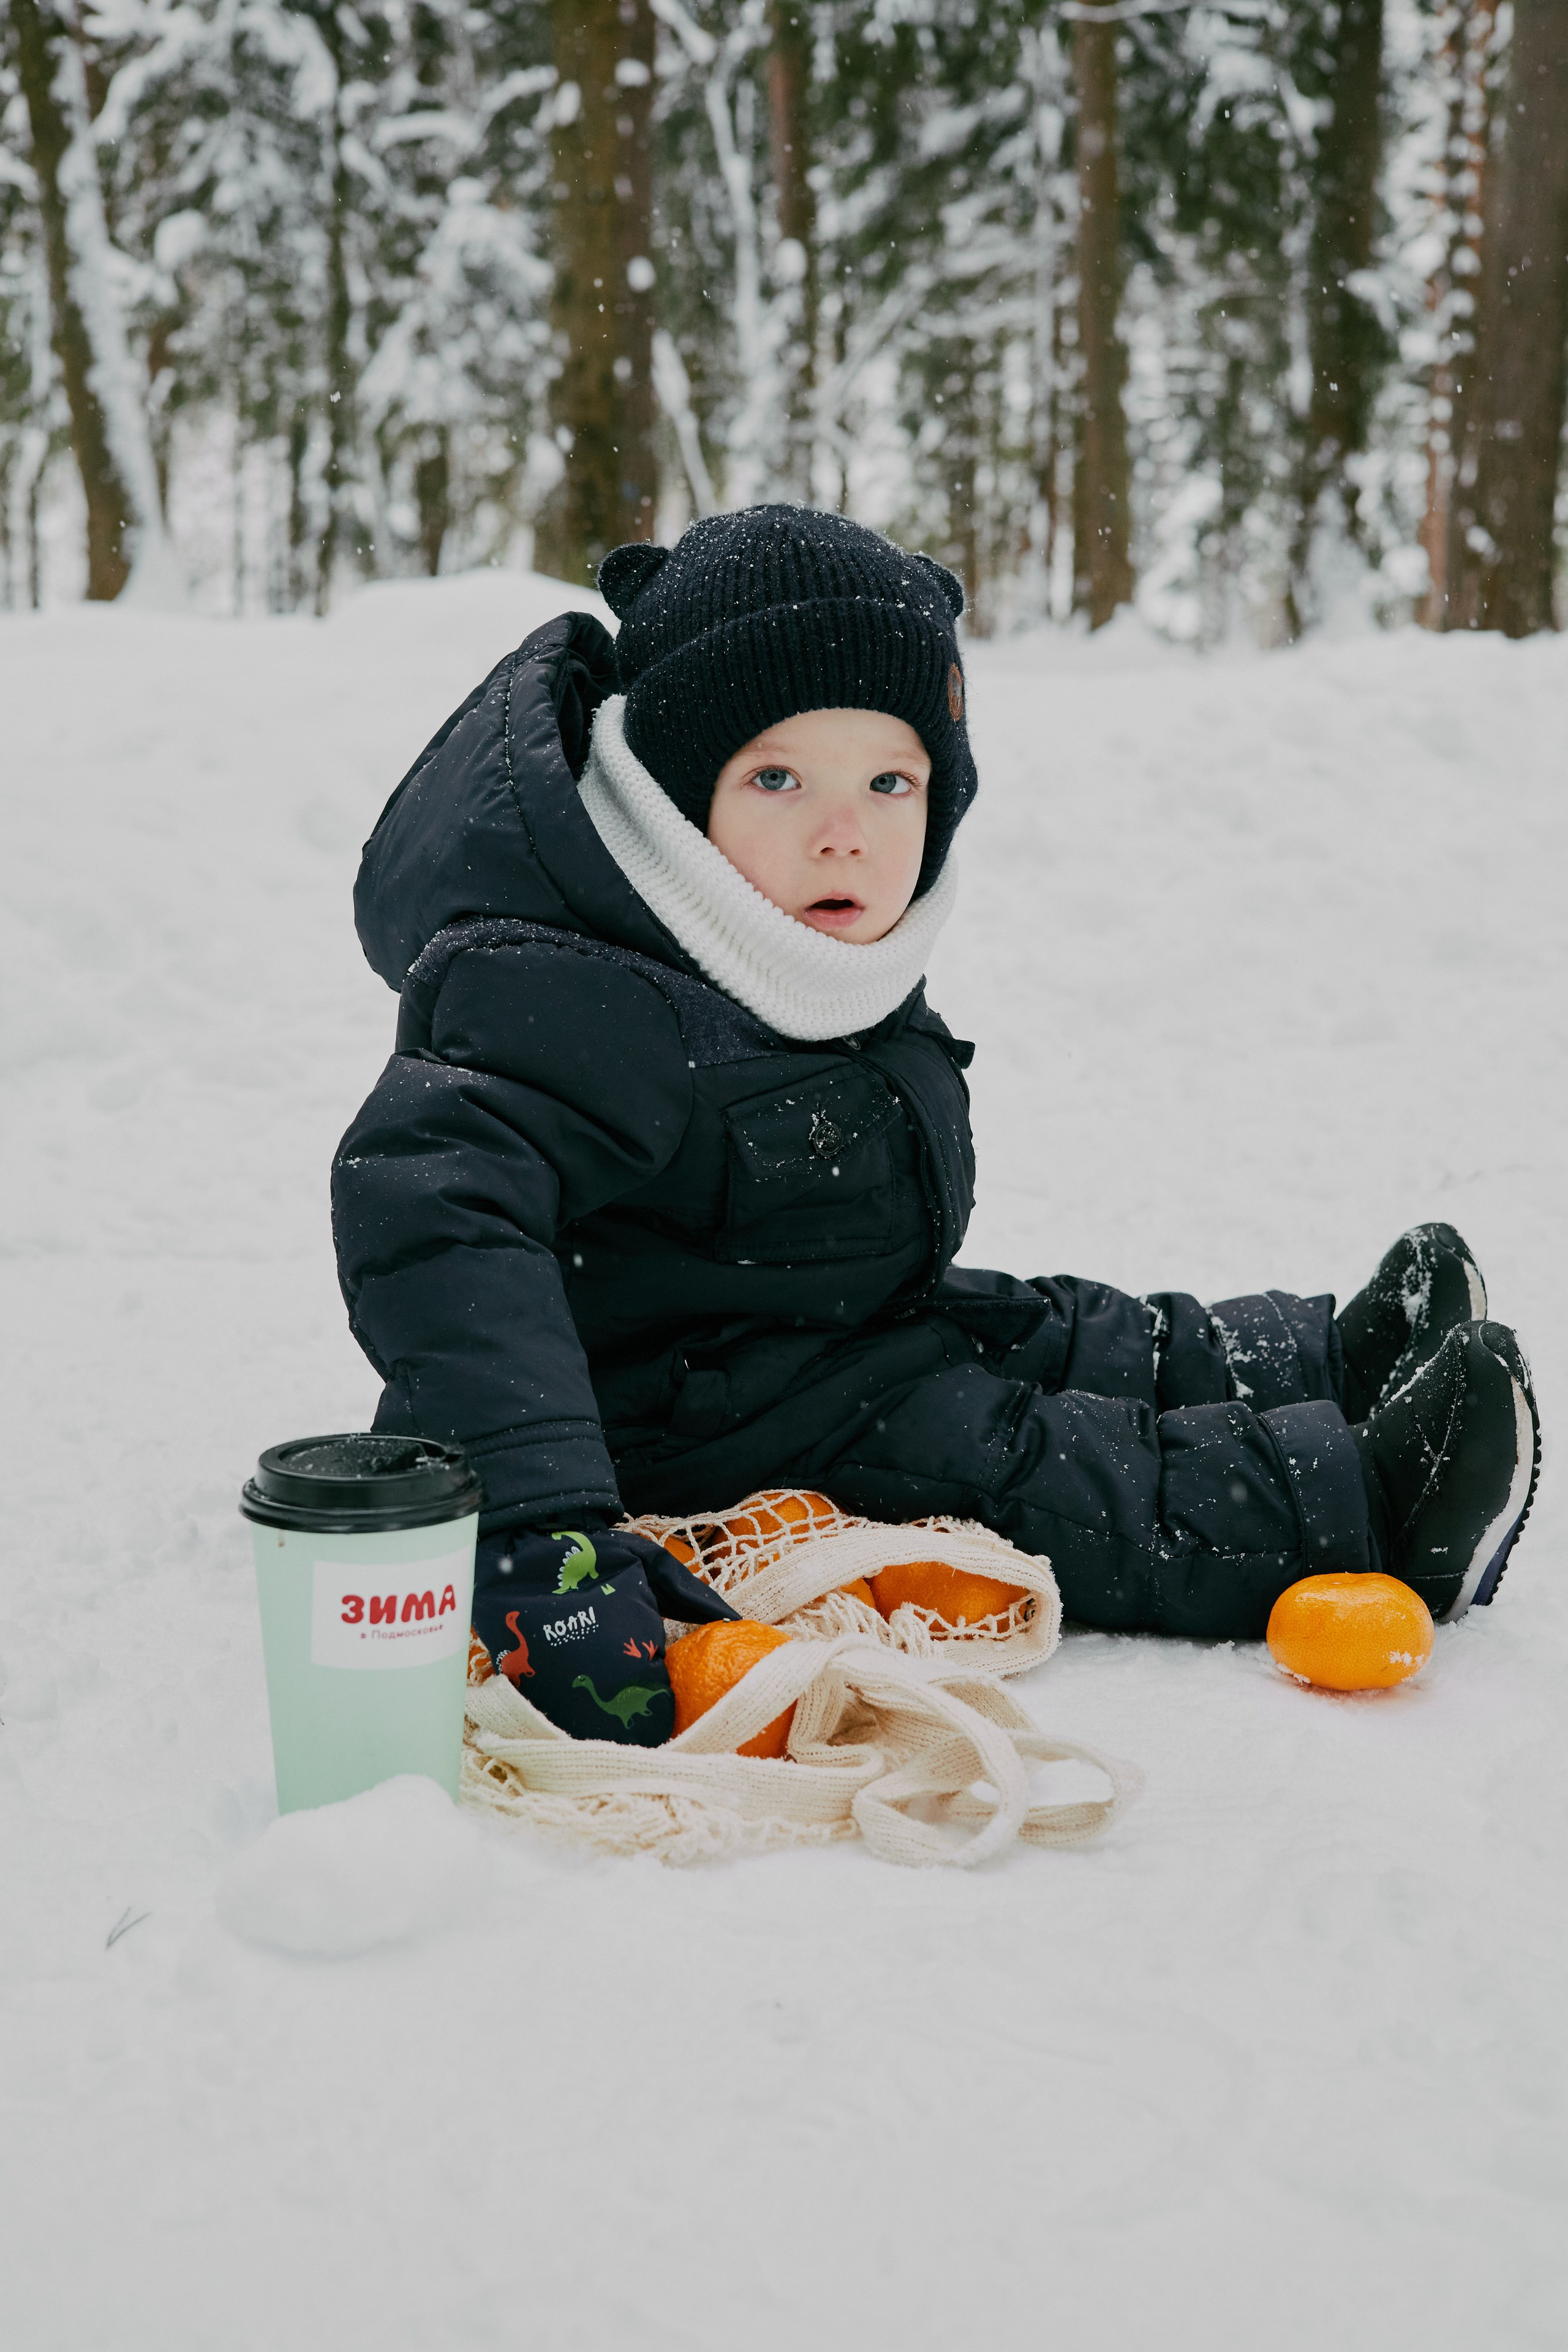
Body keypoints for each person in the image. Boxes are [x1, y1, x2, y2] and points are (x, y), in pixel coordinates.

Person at [333, 505, 1539, 1740]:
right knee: (1006, 1456)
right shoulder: (562, 986)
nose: (842, 827)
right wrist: (542, 1514)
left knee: (1043, 1325)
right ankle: (1357, 1507)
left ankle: (1315, 1362)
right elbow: (434, 1211)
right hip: (668, 1416)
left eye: (888, 780)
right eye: (776, 777)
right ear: (668, 795)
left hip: (815, 1324)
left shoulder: (767, 935)